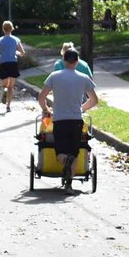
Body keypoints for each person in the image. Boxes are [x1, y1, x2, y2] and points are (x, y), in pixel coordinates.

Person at [36, 48, 99, 190]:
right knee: (75, 152)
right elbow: (94, 100)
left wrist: (46, 109)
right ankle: (69, 185)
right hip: (76, 120)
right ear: (77, 61)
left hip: (59, 120)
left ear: (64, 61)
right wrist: (81, 108)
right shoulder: (83, 78)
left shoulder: (54, 76)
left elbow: (42, 97)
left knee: (60, 153)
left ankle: (65, 160)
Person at [0, 21, 25, 113]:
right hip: (13, 64)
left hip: (4, 63)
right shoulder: (16, 40)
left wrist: (0, 57)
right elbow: (23, 53)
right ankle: (8, 106)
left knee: (4, 84)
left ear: (3, 29)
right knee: (11, 86)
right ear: (12, 29)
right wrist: (16, 53)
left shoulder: (0, 40)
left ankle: (5, 90)